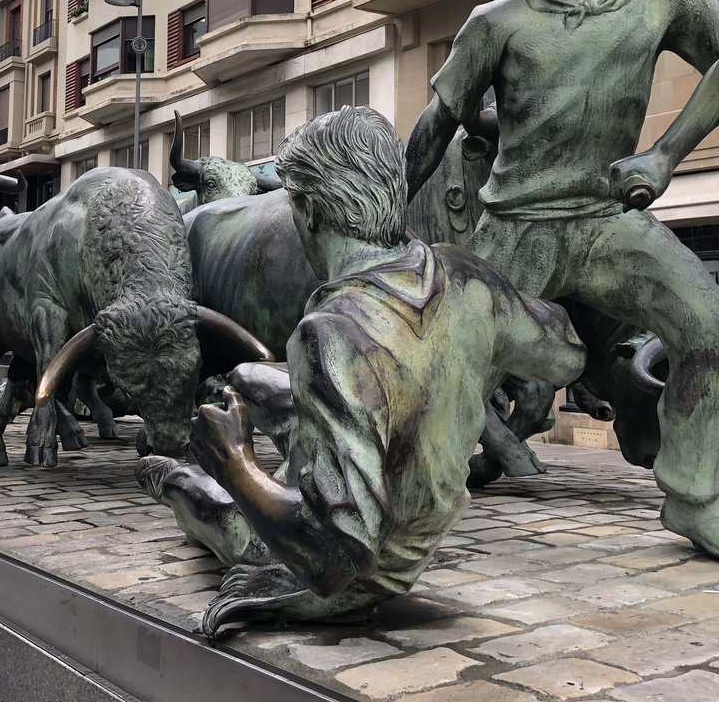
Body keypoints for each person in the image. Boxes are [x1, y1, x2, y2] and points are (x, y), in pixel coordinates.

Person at [137, 107, 586, 637]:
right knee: (247, 379)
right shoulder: (463, 274)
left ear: (306, 210)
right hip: (414, 485)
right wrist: (465, 353)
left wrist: (234, 464)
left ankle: (165, 475)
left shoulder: (329, 333)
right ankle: (257, 436)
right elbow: (568, 355)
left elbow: (342, 548)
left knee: (203, 498)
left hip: (372, 565)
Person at [405, 0, 719, 555]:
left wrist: (666, 156)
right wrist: (388, 218)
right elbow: (436, 125)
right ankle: (395, 502)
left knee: (707, 323)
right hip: (515, 230)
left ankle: (700, 497)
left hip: (609, 223)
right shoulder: (496, 23)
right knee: (442, 367)